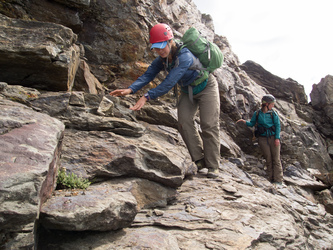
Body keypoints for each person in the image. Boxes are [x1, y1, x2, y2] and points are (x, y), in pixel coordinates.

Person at [109, 23, 221, 178]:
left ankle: (213, 165)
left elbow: (170, 81)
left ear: (170, 41)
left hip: (206, 87)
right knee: (183, 122)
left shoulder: (185, 56)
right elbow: (148, 75)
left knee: (208, 124)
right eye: (156, 47)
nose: (159, 50)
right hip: (187, 90)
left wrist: (147, 96)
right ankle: (199, 160)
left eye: (162, 46)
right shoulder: (162, 59)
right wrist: (130, 89)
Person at [236, 94, 283, 184]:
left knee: (276, 159)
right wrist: (244, 121)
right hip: (262, 138)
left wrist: (277, 138)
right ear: (266, 104)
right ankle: (271, 178)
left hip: (273, 138)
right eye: (272, 104)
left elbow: (278, 126)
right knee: (268, 158)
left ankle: (278, 180)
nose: (273, 105)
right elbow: (252, 123)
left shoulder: (273, 114)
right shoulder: (257, 113)